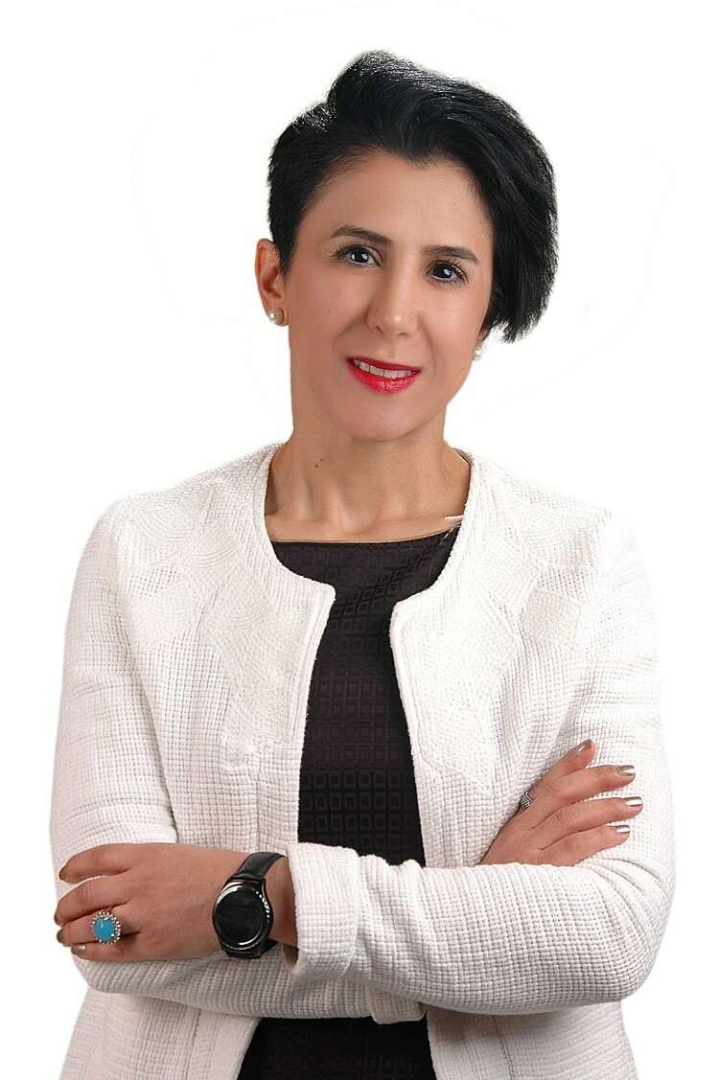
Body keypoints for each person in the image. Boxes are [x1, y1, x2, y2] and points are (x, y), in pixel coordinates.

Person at [50, 49, 675, 1080]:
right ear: (275, 278)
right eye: (355, 253)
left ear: (488, 312)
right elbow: (112, 929)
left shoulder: (576, 562)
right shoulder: (143, 553)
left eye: (445, 271)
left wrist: (258, 900)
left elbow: (607, 934)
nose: (392, 312)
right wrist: (478, 914)